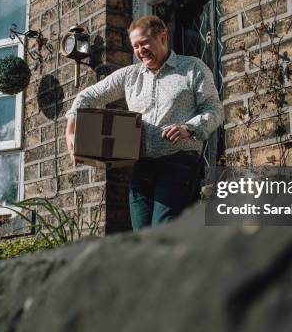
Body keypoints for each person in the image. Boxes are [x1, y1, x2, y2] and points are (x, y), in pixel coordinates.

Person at [65, 15, 224, 230]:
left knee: (163, 232)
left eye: (144, 43)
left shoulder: (192, 68)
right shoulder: (129, 76)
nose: (140, 51)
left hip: (178, 164)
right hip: (142, 168)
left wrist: (189, 128)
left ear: (163, 37)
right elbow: (86, 97)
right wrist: (71, 131)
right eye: (135, 46)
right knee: (141, 236)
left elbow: (215, 109)